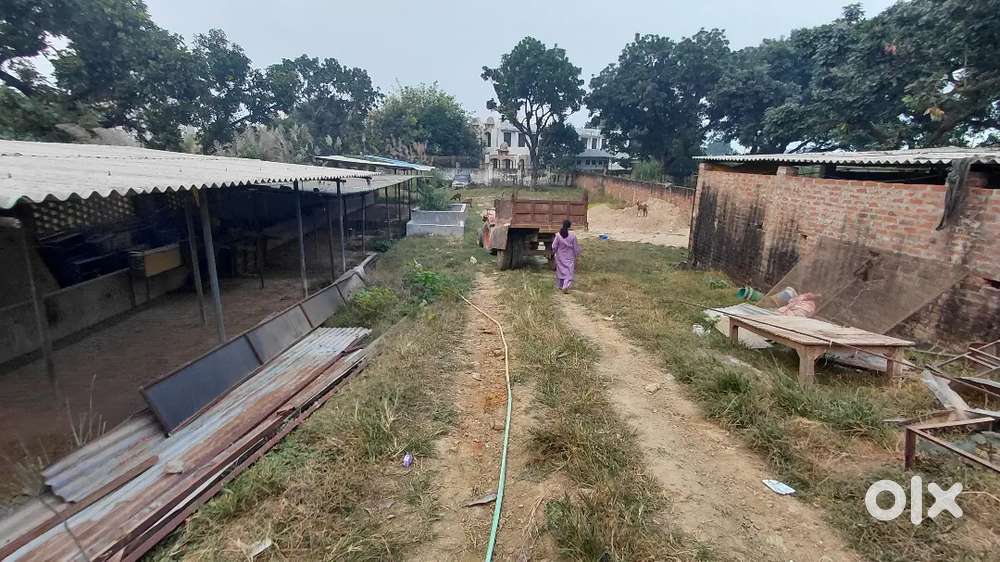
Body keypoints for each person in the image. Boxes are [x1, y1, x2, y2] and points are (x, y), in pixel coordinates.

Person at [551, 219, 581, 293]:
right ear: (569, 226)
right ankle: (565, 286)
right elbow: (575, 247)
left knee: (560, 270)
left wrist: (555, 252)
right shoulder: (573, 235)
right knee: (569, 272)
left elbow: (554, 246)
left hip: (559, 256)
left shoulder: (558, 235)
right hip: (569, 256)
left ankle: (560, 286)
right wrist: (577, 254)